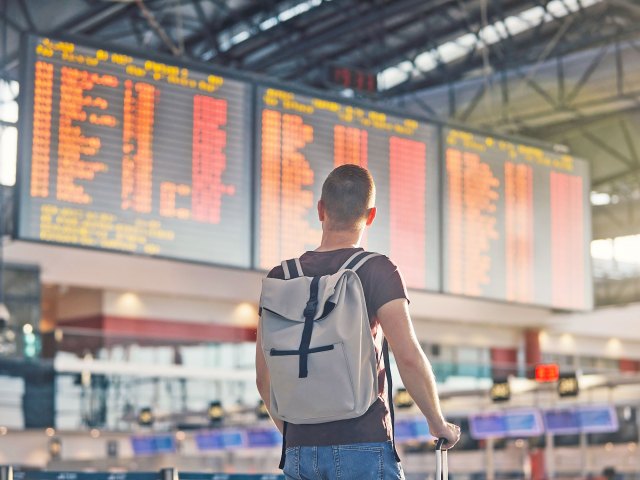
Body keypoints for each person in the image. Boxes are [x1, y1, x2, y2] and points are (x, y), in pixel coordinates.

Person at [255, 164, 460, 479]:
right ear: (371, 215)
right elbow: (408, 356)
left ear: (321, 209)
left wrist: (296, 433)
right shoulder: (376, 270)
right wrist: (437, 423)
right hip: (363, 442)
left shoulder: (279, 277)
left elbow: (264, 377)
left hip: (298, 450)